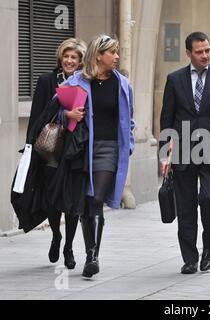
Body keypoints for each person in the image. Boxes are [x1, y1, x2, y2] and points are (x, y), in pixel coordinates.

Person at [160, 32, 210, 274]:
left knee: (207, 199)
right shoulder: (174, 79)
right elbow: (167, 117)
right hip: (183, 152)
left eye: (207, 50)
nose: (205, 55)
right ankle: (189, 258)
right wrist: (165, 154)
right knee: (185, 206)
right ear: (189, 53)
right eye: (199, 51)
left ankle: (209, 248)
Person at [60, 35, 135, 278]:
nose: (117, 57)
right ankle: (89, 252)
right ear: (98, 55)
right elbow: (57, 109)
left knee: (96, 198)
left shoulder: (122, 84)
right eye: (112, 52)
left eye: (117, 52)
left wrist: (129, 144)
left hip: (109, 148)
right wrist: (68, 115)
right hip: (82, 149)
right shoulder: (78, 81)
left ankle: (92, 256)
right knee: (85, 203)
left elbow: (129, 119)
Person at [26, 38, 87, 269]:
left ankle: (69, 247)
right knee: (52, 199)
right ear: (60, 58)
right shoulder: (46, 81)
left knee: (71, 200)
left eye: (74, 57)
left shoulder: (85, 83)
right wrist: (30, 147)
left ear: (80, 61)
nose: (69, 61)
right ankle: (56, 236)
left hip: (74, 150)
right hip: (50, 149)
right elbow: (37, 115)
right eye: (66, 56)